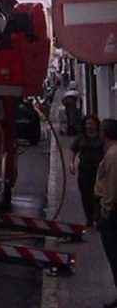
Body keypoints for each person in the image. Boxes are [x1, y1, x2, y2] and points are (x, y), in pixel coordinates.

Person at [95, 118, 117, 308]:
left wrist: (106, 210)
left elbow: (111, 186)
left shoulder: (113, 155)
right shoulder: (111, 152)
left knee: (114, 253)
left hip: (112, 212)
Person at [71, 115, 105, 226]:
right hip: (85, 169)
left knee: (98, 194)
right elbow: (74, 150)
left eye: (91, 124)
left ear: (96, 125)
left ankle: (98, 217)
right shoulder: (81, 138)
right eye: (87, 124)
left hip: (99, 170)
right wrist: (72, 164)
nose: (89, 126)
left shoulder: (102, 138)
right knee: (85, 194)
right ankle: (89, 218)